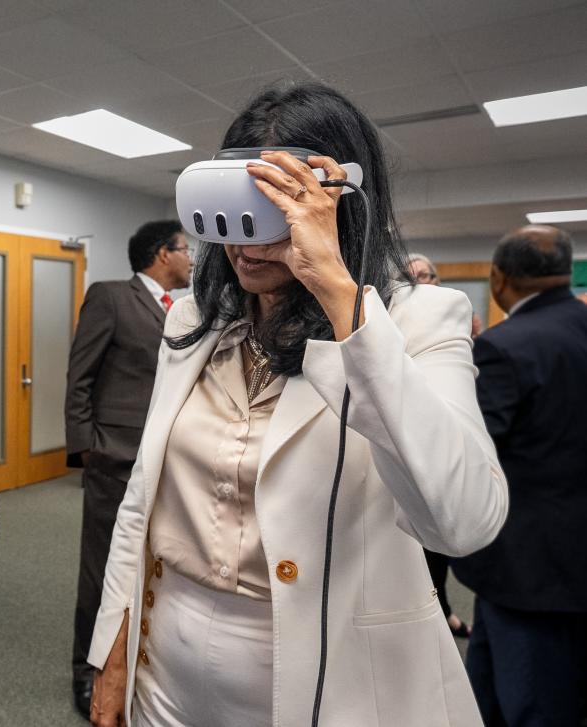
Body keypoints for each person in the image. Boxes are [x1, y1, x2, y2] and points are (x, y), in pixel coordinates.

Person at [88, 82, 507, 727]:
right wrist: (113, 657)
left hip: (329, 675)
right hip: (166, 665)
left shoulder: (420, 321)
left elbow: (463, 523)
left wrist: (342, 299)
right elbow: (143, 501)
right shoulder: (197, 320)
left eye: (275, 210)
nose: (246, 246)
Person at [452, 225, 587, 726]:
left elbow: (474, 450)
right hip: (566, 559)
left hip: (527, 564)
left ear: (498, 278)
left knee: (532, 702)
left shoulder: (504, 346)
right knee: (491, 688)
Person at [65, 220, 192, 718]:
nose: (191, 260)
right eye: (186, 250)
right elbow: (81, 376)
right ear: (162, 254)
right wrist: (87, 449)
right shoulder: (111, 297)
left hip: (165, 463)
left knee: (155, 566)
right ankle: (85, 671)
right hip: (114, 458)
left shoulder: (184, 311)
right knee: (101, 571)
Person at [405, 252, 474, 640]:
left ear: (437, 280)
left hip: (442, 455)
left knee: (438, 548)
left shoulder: (451, 329)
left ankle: (442, 611)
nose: (417, 284)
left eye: (424, 276)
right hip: (399, 455)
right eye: (408, 277)